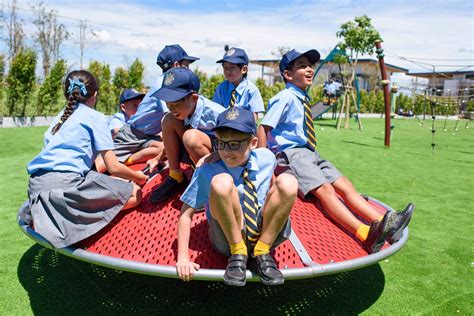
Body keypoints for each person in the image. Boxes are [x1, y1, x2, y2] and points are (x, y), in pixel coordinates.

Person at [258, 49, 414, 254]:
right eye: (302, 66)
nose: (309, 69)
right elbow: (263, 127)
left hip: (310, 153)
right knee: (326, 191)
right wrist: (262, 163)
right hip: (292, 154)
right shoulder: (285, 97)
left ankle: (385, 223)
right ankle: (365, 234)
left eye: (310, 66)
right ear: (288, 74)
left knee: (345, 185)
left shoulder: (301, 97)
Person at [23, 70, 148, 248]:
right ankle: (76, 221)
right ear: (94, 95)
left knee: (108, 183)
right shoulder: (95, 117)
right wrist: (139, 177)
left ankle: (52, 216)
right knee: (136, 194)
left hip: (36, 187)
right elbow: (113, 166)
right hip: (67, 186)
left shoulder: (60, 117)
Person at [176, 107, 297, 286]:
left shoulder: (267, 158)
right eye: (221, 144)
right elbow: (186, 214)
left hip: (265, 235)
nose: (226, 151)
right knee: (221, 181)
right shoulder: (208, 169)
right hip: (226, 238)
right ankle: (238, 252)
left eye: (234, 145)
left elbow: (274, 189)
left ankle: (262, 251)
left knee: (288, 181)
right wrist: (183, 258)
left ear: (253, 143)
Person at [95, 44, 199, 172]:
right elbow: (171, 114)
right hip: (132, 134)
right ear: (176, 65)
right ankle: (86, 174)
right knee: (102, 165)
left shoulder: (169, 84)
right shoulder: (163, 84)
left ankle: (130, 159)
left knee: (162, 148)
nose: (188, 70)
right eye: (187, 66)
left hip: (148, 136)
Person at [149, 67, 225, 204]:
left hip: (220, 159)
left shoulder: (217, 114)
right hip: (193, 155)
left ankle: (207, 188)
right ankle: (176, 176)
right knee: (168, 120)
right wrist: (159, 157)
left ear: (193, 98)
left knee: (191, 137)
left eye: (176, 104)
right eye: (168, 104)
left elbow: (241, 141)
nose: (171, 109)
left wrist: (218, 154)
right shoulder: (181, 111)